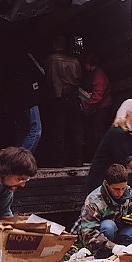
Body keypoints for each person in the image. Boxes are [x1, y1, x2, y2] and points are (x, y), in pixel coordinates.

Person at [72, 164, 132, 258]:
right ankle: (102, 258)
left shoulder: (128, 191)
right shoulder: (93, 201)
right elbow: (89, 233)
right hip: (99, 238)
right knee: (108, 226)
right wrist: (112, 247)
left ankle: (123, 256)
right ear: (106, 184)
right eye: (116, 189)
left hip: (120, 232)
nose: (120, 193)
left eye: (123, 188)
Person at [44, 35, 83, 167]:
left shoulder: (50, 59)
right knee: (75, 129)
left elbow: (48, 79)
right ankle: (77, 160)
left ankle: (58, 161)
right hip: (73, 96)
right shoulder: (75, 61)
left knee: (58, 130)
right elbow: (79, 78)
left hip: (57, 97)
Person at [1, 39, 43, 154]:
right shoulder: (28, 57)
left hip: (17, 100)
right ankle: (20, 158)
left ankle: (14, 157)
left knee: (22, 129)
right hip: (29, 99)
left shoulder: (9, 59)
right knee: (36, 129)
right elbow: (41, 73)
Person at [80, 53, 112, 150]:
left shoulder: (98, 76)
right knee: (97, 130)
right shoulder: (95, 73)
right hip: (100, 105)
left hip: (103, 106)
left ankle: (100, 154)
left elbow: (97, 96)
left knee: (98, 131)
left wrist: (85, 103)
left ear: (89, 64)